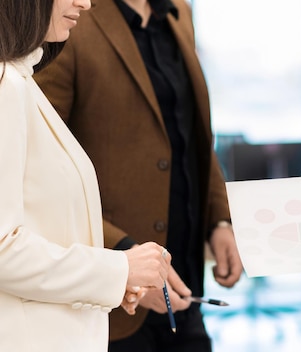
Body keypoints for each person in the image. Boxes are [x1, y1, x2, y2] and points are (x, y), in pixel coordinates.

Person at [34, 0, 243, 351]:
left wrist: (219, 220)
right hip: (111, 306)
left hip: (186, 293)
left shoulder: (179, 13)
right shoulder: (68, 18)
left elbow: (191, 136)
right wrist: (124, 259)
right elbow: (41, 170)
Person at [0, 0, 173, 351]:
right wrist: (119, 268)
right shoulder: (7, 86)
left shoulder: (22, 80)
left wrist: (111, 280)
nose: (86, 2)